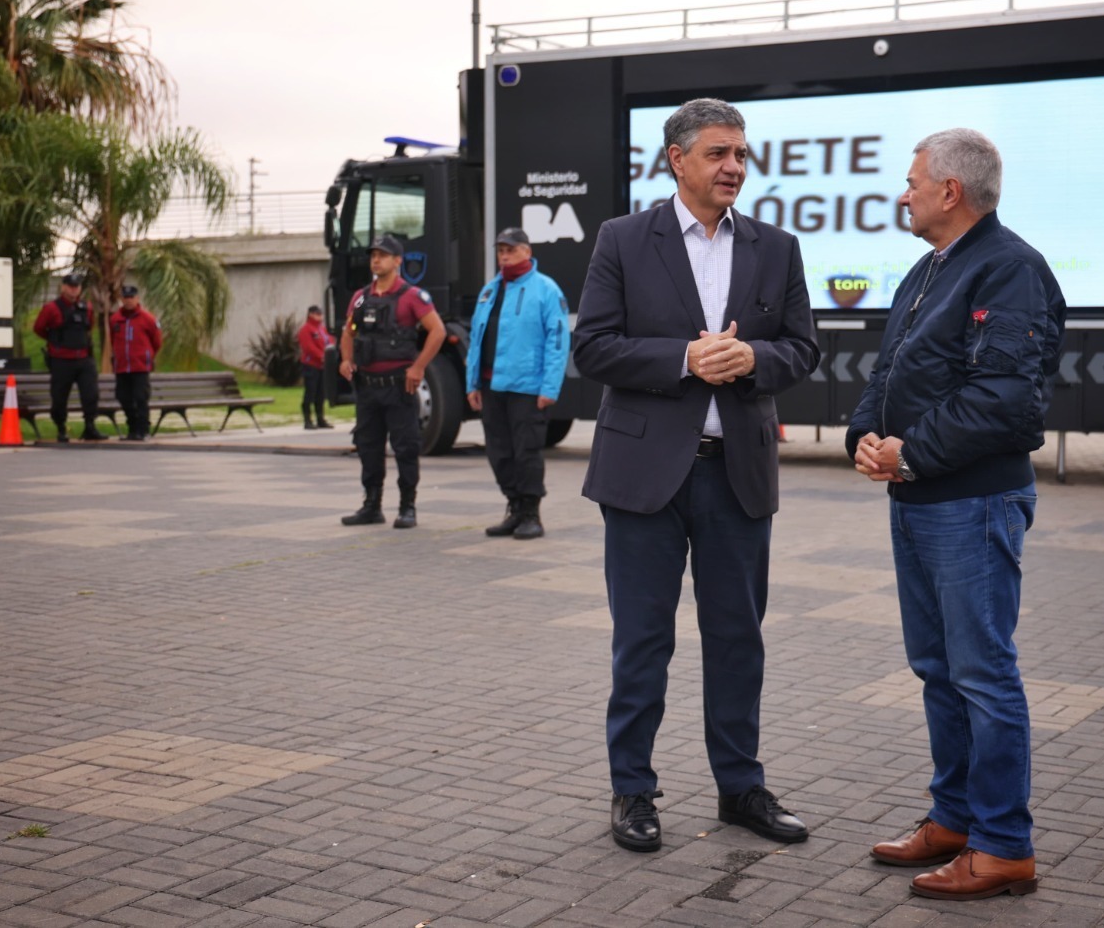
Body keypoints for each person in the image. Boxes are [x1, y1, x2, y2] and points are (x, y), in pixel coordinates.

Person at [573, 97, 821, 853]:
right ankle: (633, 792)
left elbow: (803, 349)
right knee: (642, 641)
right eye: (719, 154)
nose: (735, 168)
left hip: (736, 475)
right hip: (645, 475)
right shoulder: (622, 239)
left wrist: (755, 359)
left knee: (737, 639)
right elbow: (594, 348)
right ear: (676, 159)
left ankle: (741, 788)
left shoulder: (776, 248)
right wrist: (684, 356)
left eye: (742, 154)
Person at [848, 128, 1065, 901]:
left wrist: (909, 455)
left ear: (950, 191)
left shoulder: (1010, 270)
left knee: (981, 674)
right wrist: (864, 437)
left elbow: (1006, 400)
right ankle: (955, 818)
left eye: (911, 181)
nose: (901, 193)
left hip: (972, 504)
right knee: (938, 669)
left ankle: (1004, 845)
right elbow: (891, 371)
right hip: (921, 499)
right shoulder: (928, 267)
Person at [465, 227, 570, 540]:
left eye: (510, 249)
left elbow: (558, 341)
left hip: (527, 387)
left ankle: (531, 514)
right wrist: (472, 384)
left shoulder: (546, 289)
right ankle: (513, 507)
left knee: (527, 453)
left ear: (527, 251)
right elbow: (475, 340)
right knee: (499, 452)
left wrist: (549, 387)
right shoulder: (489, 291)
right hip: (491, 386)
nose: (504, 255)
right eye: (500, 250)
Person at [339, 234, 446, 529]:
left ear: (398, 261)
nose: (376, 259)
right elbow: (348, 332)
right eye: (373, 254)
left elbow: (437, 331)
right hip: (368, 388)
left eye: (383, 255)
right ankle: (371, 506)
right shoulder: (361, 296)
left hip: (399, 387)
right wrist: (346, 360)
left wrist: (419, 367)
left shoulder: (412, 296)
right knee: (368, 447)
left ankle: (407, 507)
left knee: (406, 448)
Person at [33, 272, 105, 443]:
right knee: (59, 397)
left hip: (84, 359)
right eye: (71, 287)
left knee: (91, 394)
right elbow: (39, 328)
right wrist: (56, 342)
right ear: (63, 287)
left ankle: (90, 427)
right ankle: (61, 429)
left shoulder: (86, 307)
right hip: (62, 360)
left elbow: (90, 327)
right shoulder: (52, 308)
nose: (74, 291)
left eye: (77, 287)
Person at [109, 284, 162, 441]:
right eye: (125, 298)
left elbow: (157, 341)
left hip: (140, 366)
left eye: (131, 297)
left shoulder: (148, 318)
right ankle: (132, 428)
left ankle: (143, 429)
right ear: (121, 299)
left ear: (137, 298)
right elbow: (113, 340)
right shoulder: (115, 319)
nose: (129, 301)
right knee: (123, 397)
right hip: (123, 367)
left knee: (140, 397)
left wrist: (147, 355)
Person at [298, 305, 336, 430]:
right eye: (317, 314)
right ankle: (307, 419)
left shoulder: (322, 329)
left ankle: (320, 418)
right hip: (311, 365)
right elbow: (308, 347)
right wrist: (321, 356)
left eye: (321, 314)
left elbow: (329, 341)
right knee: (310, 392)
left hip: (322, 366)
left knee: (321, 393)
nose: (320, 316)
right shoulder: (306, 329)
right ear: (310, 315)